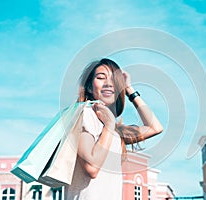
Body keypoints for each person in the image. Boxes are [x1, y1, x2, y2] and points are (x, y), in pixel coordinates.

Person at [64, 58, 163, 200]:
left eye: (113, 80)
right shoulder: (84, 114)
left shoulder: (114, 130)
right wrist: (109, 126)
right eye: (100, 78)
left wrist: (129, 90)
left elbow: (155, 127)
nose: (108, 83)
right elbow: (91, 168)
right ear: (90, 88)